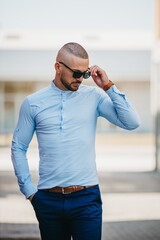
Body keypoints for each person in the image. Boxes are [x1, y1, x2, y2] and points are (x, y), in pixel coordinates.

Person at [11, 42, 140, 240]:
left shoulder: (94, 97)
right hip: (48, 200)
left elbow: (132, 122)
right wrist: (30, 192)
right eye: (76, 73)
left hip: (86, 199)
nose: (81, 79)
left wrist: (108, 86)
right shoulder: (33, 103)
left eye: (85, 73)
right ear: (58, 67)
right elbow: (18, 147)